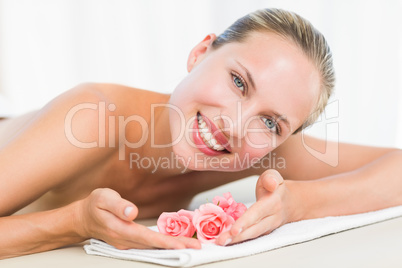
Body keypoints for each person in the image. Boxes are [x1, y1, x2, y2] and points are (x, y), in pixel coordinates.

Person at [0, 8, 401, 259]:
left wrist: (298, 203)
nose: (234, 125)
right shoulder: (92, 119)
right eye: (239, 82)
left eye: (270, 122)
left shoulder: (263, 153)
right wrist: (73, 224)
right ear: (200, 52)